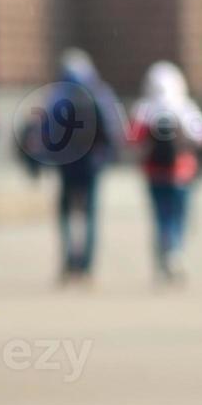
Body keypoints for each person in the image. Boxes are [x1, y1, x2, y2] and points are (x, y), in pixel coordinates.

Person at [129, 61, 202, 282]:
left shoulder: (144, 108)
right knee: (179, 216)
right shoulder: (185, 107)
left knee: (160, 216)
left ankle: (163, 256)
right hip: (181, 172)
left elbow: (132, 139)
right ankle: (175, 251)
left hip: (154, 172)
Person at [49, 49, 123, 284]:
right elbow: (113, 127)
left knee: (67, 214)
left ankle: (69, 261)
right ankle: (87, 266)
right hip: (92, 162)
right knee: (90, 213)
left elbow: (45, 129)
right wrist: (109, 155)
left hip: (66, 162)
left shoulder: (58, 93)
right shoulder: (99, 91)